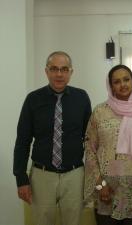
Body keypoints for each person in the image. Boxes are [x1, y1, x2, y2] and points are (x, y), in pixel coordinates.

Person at [13, 51, 92, 225]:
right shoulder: (33, 99)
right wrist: (21, 179)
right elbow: (22, 141)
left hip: (74, 175)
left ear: (71, 72)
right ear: (46, 71)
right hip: (42, 176)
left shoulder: (82, 98)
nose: (59, 74)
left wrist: (93, 176)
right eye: (54, 69)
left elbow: (90, 140)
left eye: (64, 69)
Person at [84, 64, 132, 225]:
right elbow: (90, 150)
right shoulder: (99, 112)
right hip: (107, 194)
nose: (123, 84)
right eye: (117, 81)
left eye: (126, 79)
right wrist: (100, 185)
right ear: (111, 86)